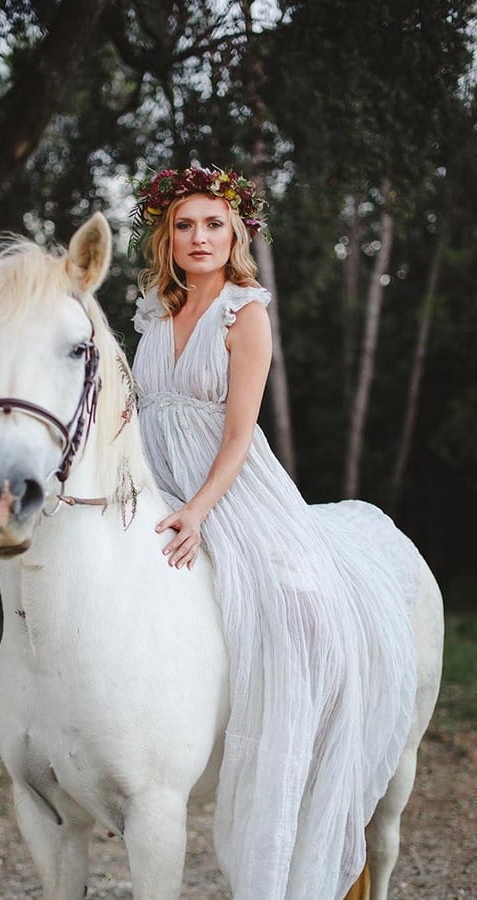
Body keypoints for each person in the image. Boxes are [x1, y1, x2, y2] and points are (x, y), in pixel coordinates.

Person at [130, 165, 419, 899]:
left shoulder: (244, 313)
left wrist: (196, 509)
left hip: (232, 493)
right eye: (185, 226)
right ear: (166, 237)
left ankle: (310, 765)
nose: (200, 238)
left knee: (298, 609)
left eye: (214, 225)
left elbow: (236, 436)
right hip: (155, 483)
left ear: (236, 235)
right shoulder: (151, 316)